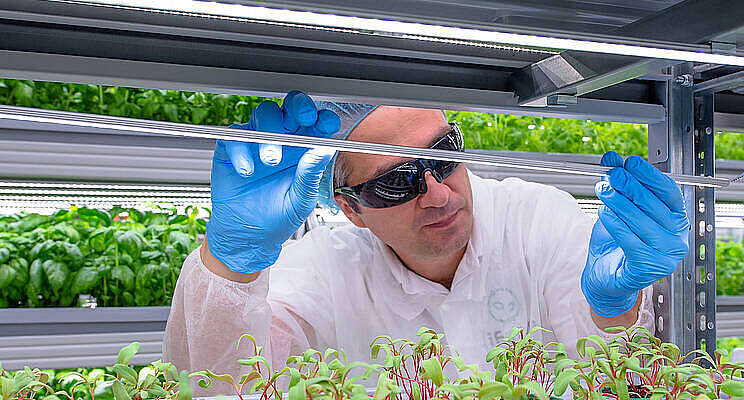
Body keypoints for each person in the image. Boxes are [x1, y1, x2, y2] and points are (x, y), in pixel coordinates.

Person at [163, 91, 689, 395]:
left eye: (443, 155)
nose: (437, 194)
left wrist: (615, 308)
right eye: (397, 181)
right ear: (351, 209)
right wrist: (231, 265)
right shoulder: (324, 270)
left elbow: (617, 374)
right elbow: (228, 384)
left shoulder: (536, 220)